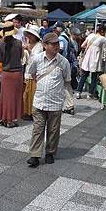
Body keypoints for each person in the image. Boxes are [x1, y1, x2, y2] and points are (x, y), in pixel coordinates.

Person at [26, 32, 71, 168]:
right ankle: (35, 155)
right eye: (53, 44)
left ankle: (50, 152)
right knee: (37, 129)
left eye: (58, 43)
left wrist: (69, 102)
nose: (57, 46)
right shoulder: (37, 59)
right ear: (45, 45)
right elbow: (32, 73)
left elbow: (67, 81)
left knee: (53, 130)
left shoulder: (64, 62)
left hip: (55, 102)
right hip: (39, 101)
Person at [0, 22, 24, 128]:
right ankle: (10, 119)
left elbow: (0, 59)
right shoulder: (18, 43)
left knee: (5, 96)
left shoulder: (1, 44)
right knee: (14, 97)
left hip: (6, 72)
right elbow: (21, 57)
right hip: (16, 72)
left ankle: (5, 118)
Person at [76, 24, 106, 100]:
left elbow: (83, 45)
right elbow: (105, 49)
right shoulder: (103, 39)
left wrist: (90, 49)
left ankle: (78, 92)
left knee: (84, 76)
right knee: (94, 77)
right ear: (102, 31)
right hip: (95, 60)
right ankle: (90, 94)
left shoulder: (90, 36)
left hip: (87, 59)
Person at [22, 25, 43, 121]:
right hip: (27, 70)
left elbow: (37, 59)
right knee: (26, 92)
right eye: (28, 34)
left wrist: (29, 50)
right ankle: (25, 111)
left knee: (32, 93)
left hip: (34, 72)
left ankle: (31, 112)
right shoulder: (27, 43)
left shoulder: (39, 45)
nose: (29, 37)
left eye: (31, 35)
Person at [54, 23, 75, 115]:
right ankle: (69, 105)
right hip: (67, 63)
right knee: (67, 85)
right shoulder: (67, 37)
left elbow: (60, 50)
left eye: (56, 28)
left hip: (62, 64)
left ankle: (69, 105)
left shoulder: (61, 38)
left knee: (65, 85)